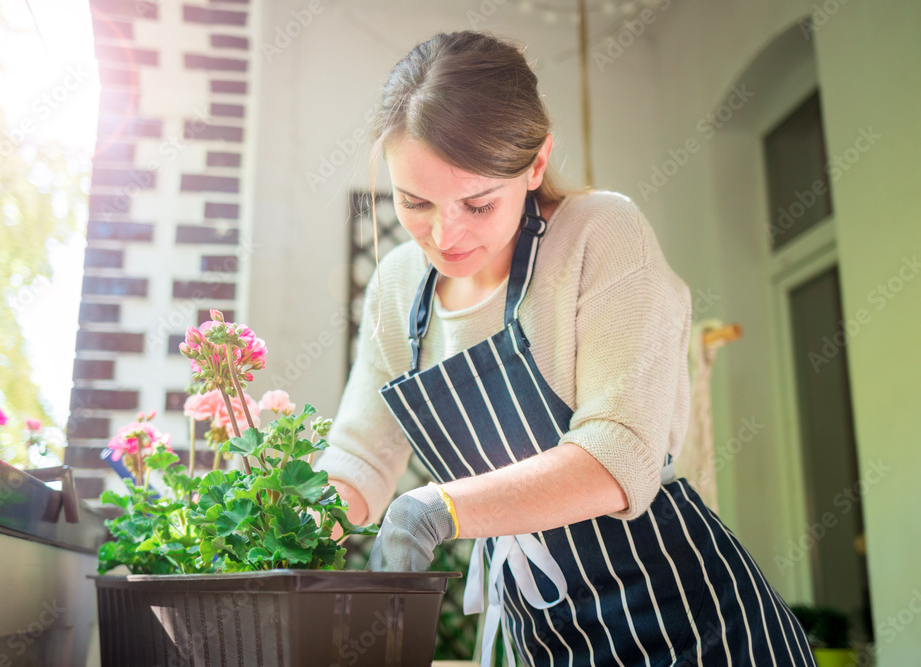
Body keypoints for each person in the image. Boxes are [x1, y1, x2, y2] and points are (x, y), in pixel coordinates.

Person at [313, 30, 813, 666]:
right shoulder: (397, 286)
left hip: (691, 626)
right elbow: (357, 460)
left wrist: (434, 508)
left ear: (536, 163)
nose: (445, 233)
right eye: (415, 202)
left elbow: (619, 455)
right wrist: (268, 534)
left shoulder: (599, 235)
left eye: (478, 202)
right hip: (547, 637)